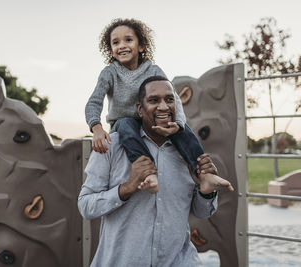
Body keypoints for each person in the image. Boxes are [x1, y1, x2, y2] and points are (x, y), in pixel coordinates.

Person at [78, 76, 234, 266]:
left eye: (169, 99)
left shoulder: (188, 153)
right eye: (154, 100)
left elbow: (202, 213)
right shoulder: (112, 146)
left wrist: (206, 193)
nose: (163, 107)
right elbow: (85, 206)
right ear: (140, 109)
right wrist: (126, 188)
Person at [85, 18, 210, 193]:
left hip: (150, 121)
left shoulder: (154, 71)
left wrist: (179, 124)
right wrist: (96, 127)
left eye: (128, 40)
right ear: (111, 51)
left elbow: (174, 98)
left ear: (142, 46)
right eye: (116, 42)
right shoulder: (109, 73)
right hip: (123, 123)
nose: (122, 45)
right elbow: (94, 101)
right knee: (126, 124)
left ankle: (204, 174)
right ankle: (148, 173)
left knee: (183, 130)